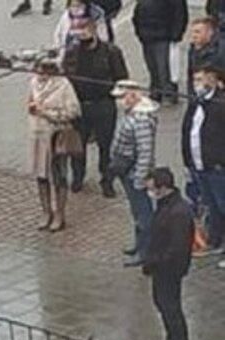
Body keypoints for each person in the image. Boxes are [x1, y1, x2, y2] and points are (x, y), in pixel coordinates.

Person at [64, 18, 128, 197]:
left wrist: (115, 93)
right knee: (78, 146)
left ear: (93, 30)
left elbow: (121, 77)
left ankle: (107, 180)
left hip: (103, 104)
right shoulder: (71, 52)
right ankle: (78, 177)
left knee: (105, 145)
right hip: (80, 105)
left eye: (84, 30)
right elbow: (65, 78)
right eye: (77, 31)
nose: (80, 34)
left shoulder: (111, 51)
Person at [141, 168, 194, 340]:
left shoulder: (178, 212)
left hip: (169, 269)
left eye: (152, 188)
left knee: (171, 307)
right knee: (163, 305)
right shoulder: (166, 206)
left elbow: (178, 247)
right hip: (160, 266)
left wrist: (156, 261)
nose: (150, 193)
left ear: (163, 187)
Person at [109, 79, 160, 265]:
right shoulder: (131, 113)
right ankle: (139, 245)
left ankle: (146, 252)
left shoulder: (142, 120)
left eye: (122, 97)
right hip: (127, 170)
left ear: (133, 96)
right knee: (137, 212)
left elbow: (145, 151)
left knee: (144, 214)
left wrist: (140, 178)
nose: (119, 101)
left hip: (136, 173)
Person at [28, 58, 81, 231]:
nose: (40, 74)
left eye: (43, 70)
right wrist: (31, 108)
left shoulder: (63, 85)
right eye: (38, 70)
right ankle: (46, 212)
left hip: (57, 136)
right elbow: (30, 102)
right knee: (41, 175)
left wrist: (47, 113)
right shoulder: (33, 83)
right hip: (38, 135)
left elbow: (73, 111)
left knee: (59, 176)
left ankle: (60, 214)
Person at [183, 66, 225, 256]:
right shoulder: (195, 103)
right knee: (211, 206)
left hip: (217, 167)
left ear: (213, 80)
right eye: (195, 80)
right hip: (198, 164)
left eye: (201, 80)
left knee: (222, 205)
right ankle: (215, 241)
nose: (197, 84)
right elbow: (187, 132)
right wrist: (188, 161)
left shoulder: (219, 104)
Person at [134, 0, 188, 104]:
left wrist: (176, 34)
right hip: (147, 37)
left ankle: (169, 93)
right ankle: (156, 90)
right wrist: (139, 33)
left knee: (165, 68)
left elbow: (180, 13)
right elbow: (137, 14)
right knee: (152, 67)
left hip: (164, 36)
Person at [187, 18, 225, 96]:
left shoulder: (221, 49)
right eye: (192, 32)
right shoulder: (193, 49)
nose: (193, 36)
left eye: (197, 32)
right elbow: (190, 76)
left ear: (209, 33)